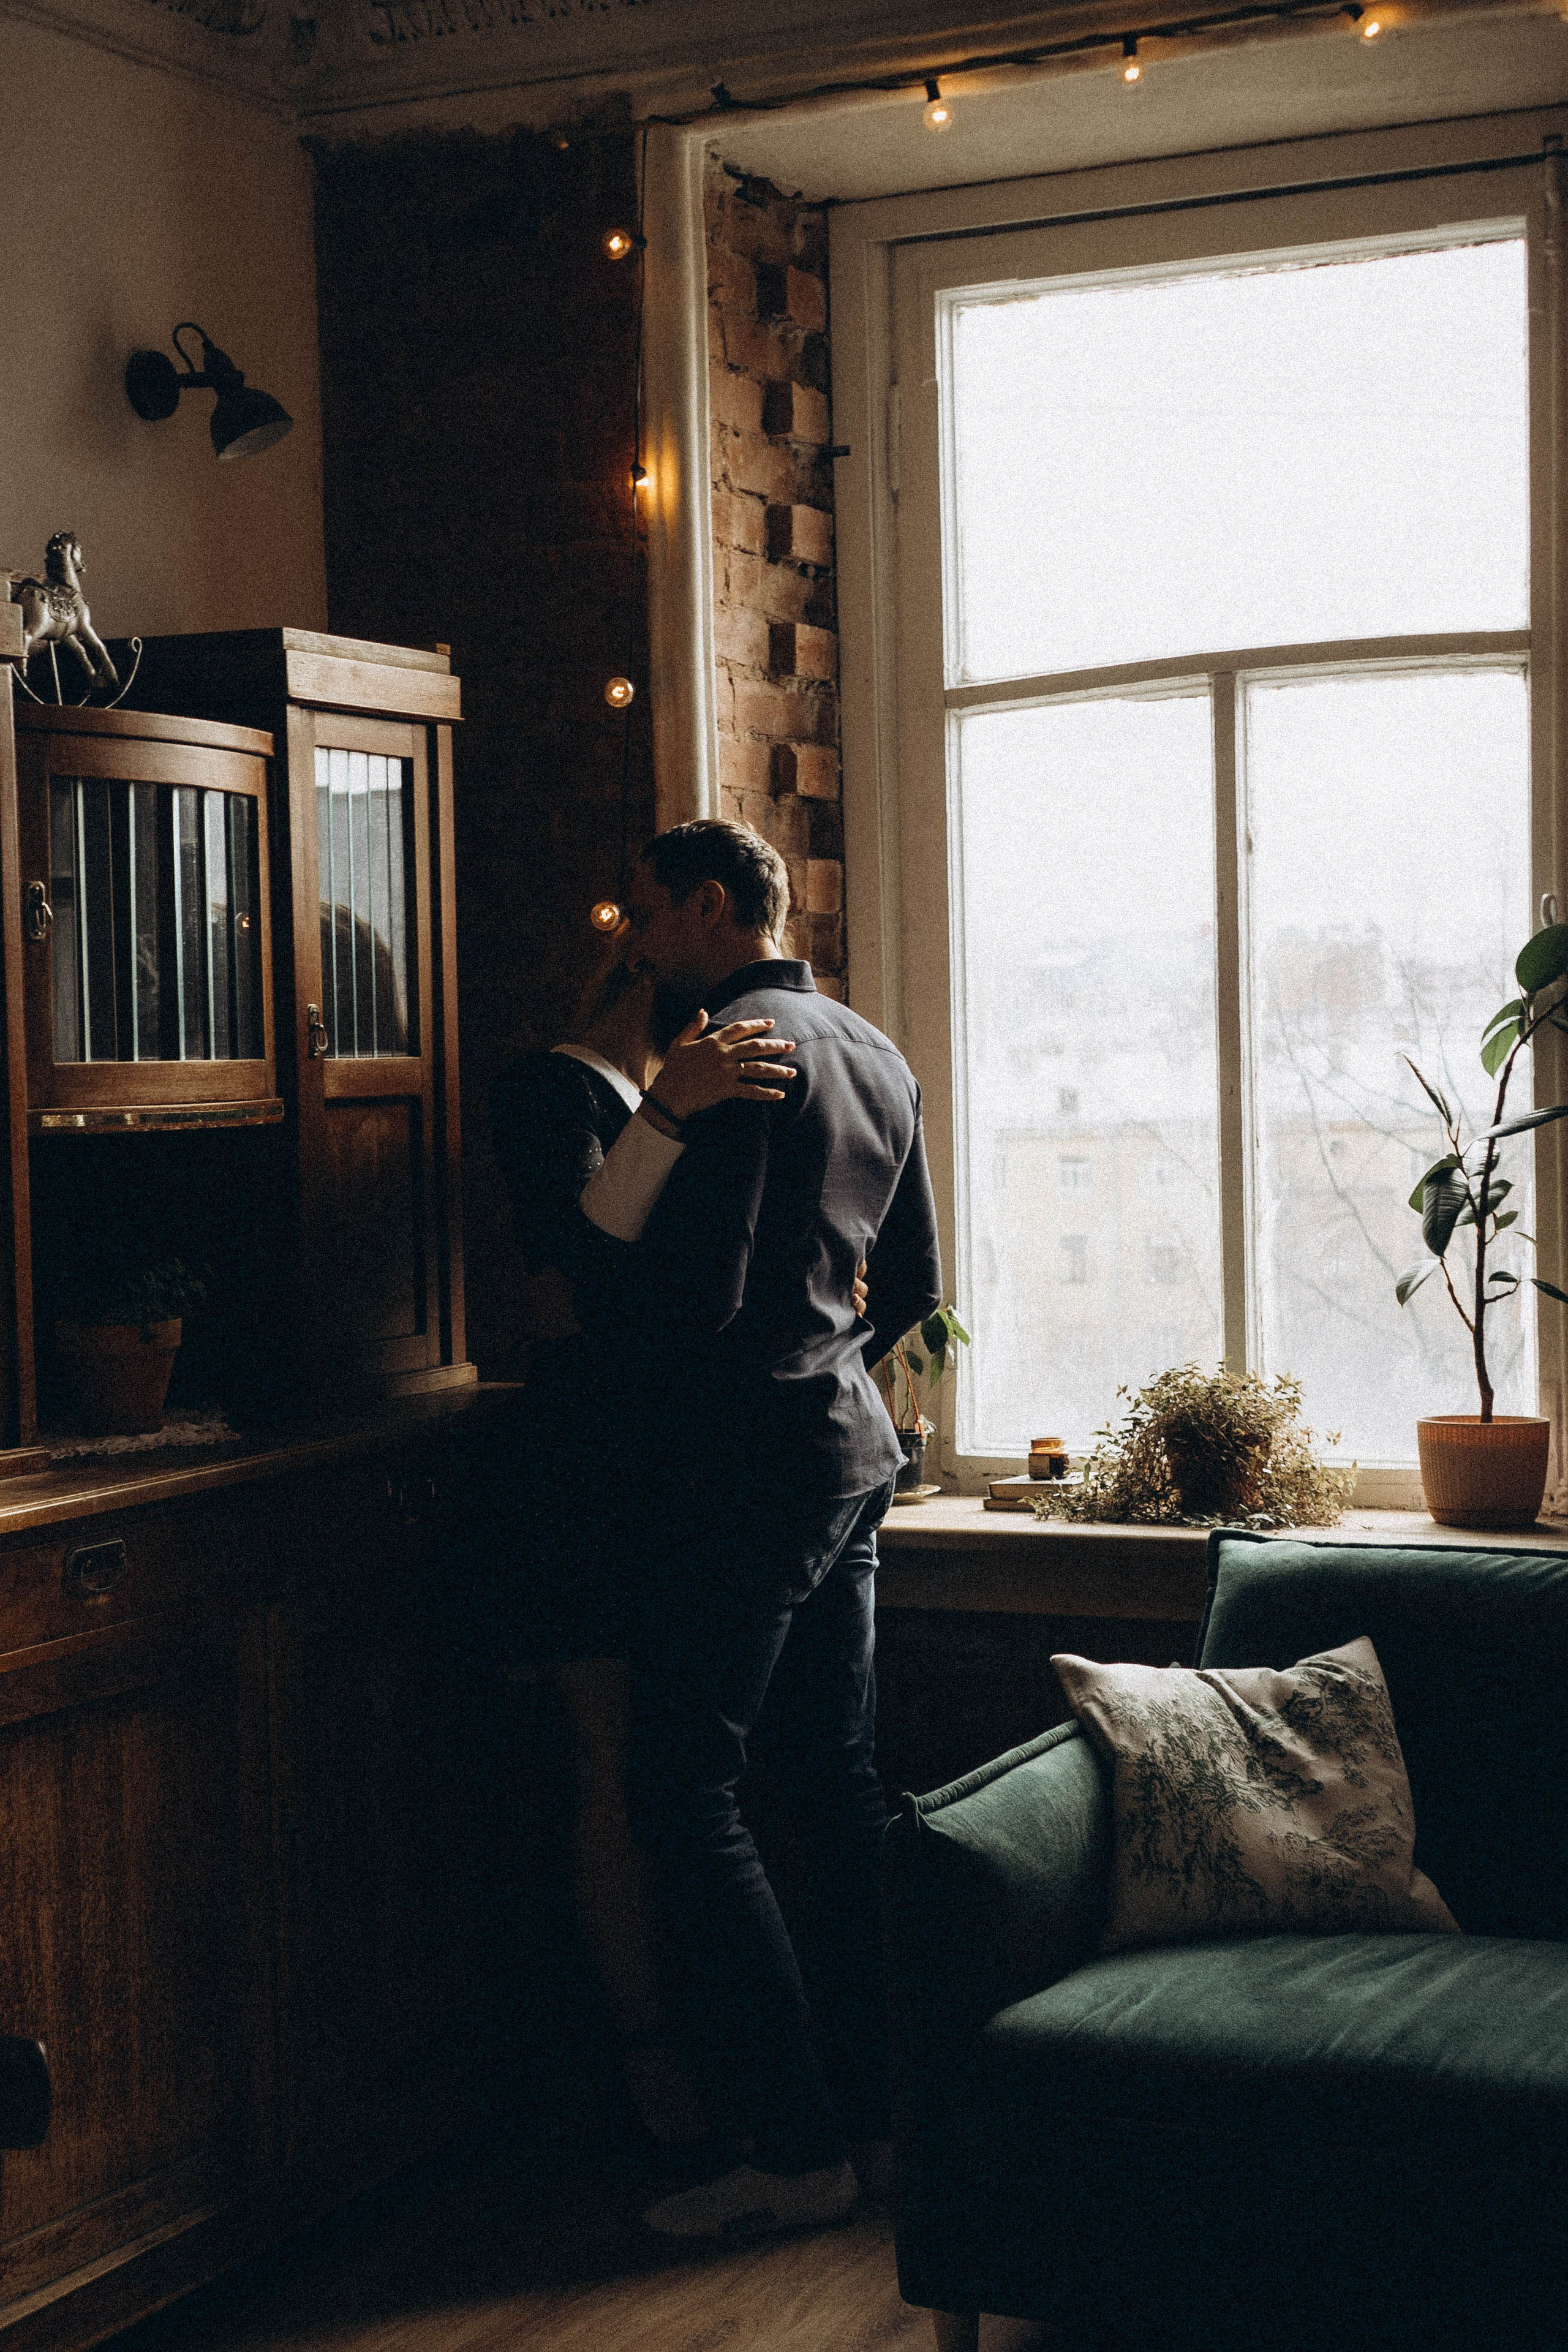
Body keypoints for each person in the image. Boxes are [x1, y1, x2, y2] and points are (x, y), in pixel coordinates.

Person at [584, 818, 942, 2241]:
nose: (639, 940)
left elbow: (693, 1301)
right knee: (834, 1786)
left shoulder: (735, 1055)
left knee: (681, 1787)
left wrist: (633, 1200)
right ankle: (876, 2125)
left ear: (713, 905)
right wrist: (830, 1362)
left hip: (740, 1466)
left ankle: (788, 2148)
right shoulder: (873, 1049)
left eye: (652, 913)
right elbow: (907, 1276)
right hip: (849, 1453)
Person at [488, 941, 801, 2149]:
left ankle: (719, 2051)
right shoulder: (550, 1089)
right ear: (640, 986)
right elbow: (564, 1286)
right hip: (581, 1463)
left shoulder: (663, 1100)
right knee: (610, 1759)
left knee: (682, 1770)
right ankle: (648, 2065)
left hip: (669, 1464)